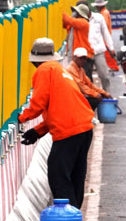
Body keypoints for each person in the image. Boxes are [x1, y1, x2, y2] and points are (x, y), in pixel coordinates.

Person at [18, 37, 95, 209]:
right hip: (84, 128)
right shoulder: (59, 71)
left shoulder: (44, 70)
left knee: (57, 173)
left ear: (35, 61)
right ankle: (75, 215)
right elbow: (60, 109)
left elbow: (38, 102)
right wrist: (38, 131)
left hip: (70, 132)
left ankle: (67, 219)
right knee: (76, 175)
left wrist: (22, 118)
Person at [83, 1, 116, 93]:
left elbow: (105, 33)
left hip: (99, 51)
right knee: (87, 79)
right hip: (86, 54)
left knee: (104, 76)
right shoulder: (80, 20)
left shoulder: (98, 17)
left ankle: (107, 95)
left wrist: (111, 48)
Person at [62, 3, 94, 72]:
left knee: (85, 79)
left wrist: (60, 9)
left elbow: (68, 20)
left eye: (76, 12)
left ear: (80, 14)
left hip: (83, 57)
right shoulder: (74, 25)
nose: (74, 13)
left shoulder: (83, 22)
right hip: (76, 57)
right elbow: (65, 24)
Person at [92, 0, 119, 72]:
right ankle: (112, 65)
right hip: (105, 35)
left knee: (108, 52)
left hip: (105, 35)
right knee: (107, 52)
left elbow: (104, 25)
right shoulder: (103, 12)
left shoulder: (104, 13)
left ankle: (114, 66)